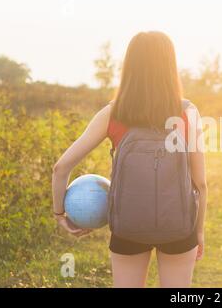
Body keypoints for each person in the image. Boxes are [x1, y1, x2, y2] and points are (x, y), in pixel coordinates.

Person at [51, 31, 207, 288]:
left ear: (130, 66)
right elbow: (201, 184)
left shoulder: (113, 113)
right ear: (170, 66)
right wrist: (198, 231)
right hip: (179, 225)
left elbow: (61, 168)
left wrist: (60, 214)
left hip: (128, 227)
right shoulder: (188, 113)